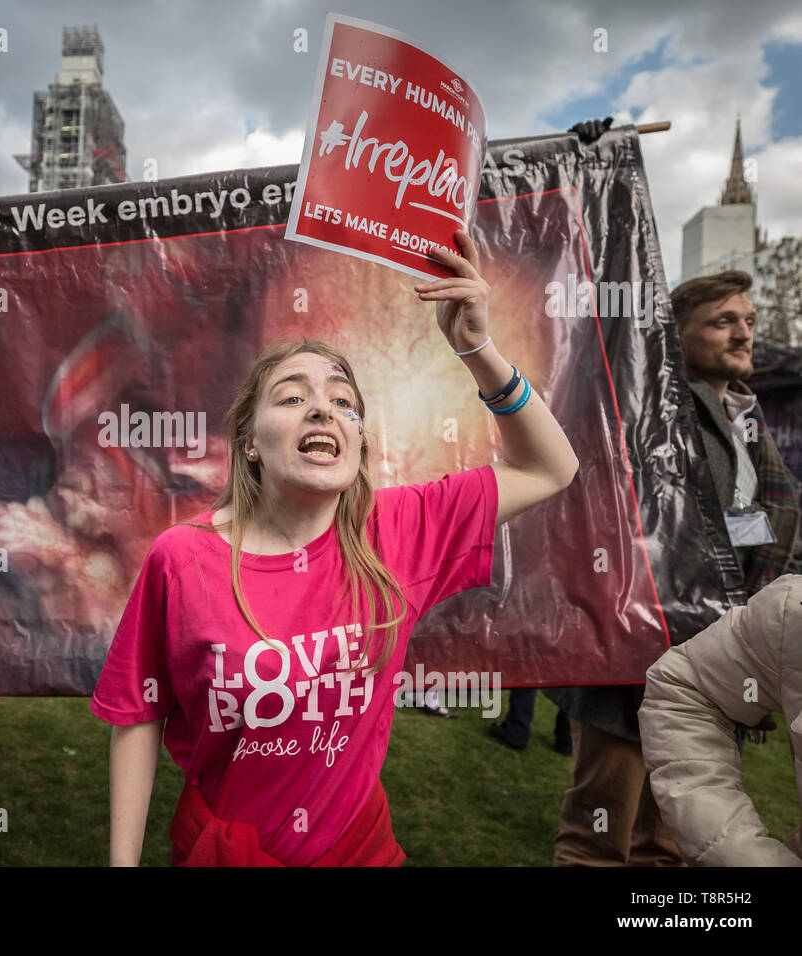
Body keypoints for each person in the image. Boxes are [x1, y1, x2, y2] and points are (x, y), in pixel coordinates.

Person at [92, 231, 579, 866]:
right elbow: (137, 715)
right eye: (293, 397)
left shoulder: (399, 528)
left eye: (344, 403)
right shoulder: (181, 559)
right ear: (249, 442)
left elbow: (551, 467)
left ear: (357, 443)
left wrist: (477, 348)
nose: (323, 410)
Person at [547, 269, 801, 865]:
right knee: (599, 837)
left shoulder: (743, 417)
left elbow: (755, 517)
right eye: (723, 322)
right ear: (678, 335)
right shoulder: (652, 409)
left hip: (715, 656)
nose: (744, 334)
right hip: (632, 662)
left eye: (749, 321)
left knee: (672, 842)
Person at [640, 574, 802, 865]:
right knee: (610, 832)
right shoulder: (793, 614)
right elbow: (685, 686)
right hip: (631, 655)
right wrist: (743, 856)